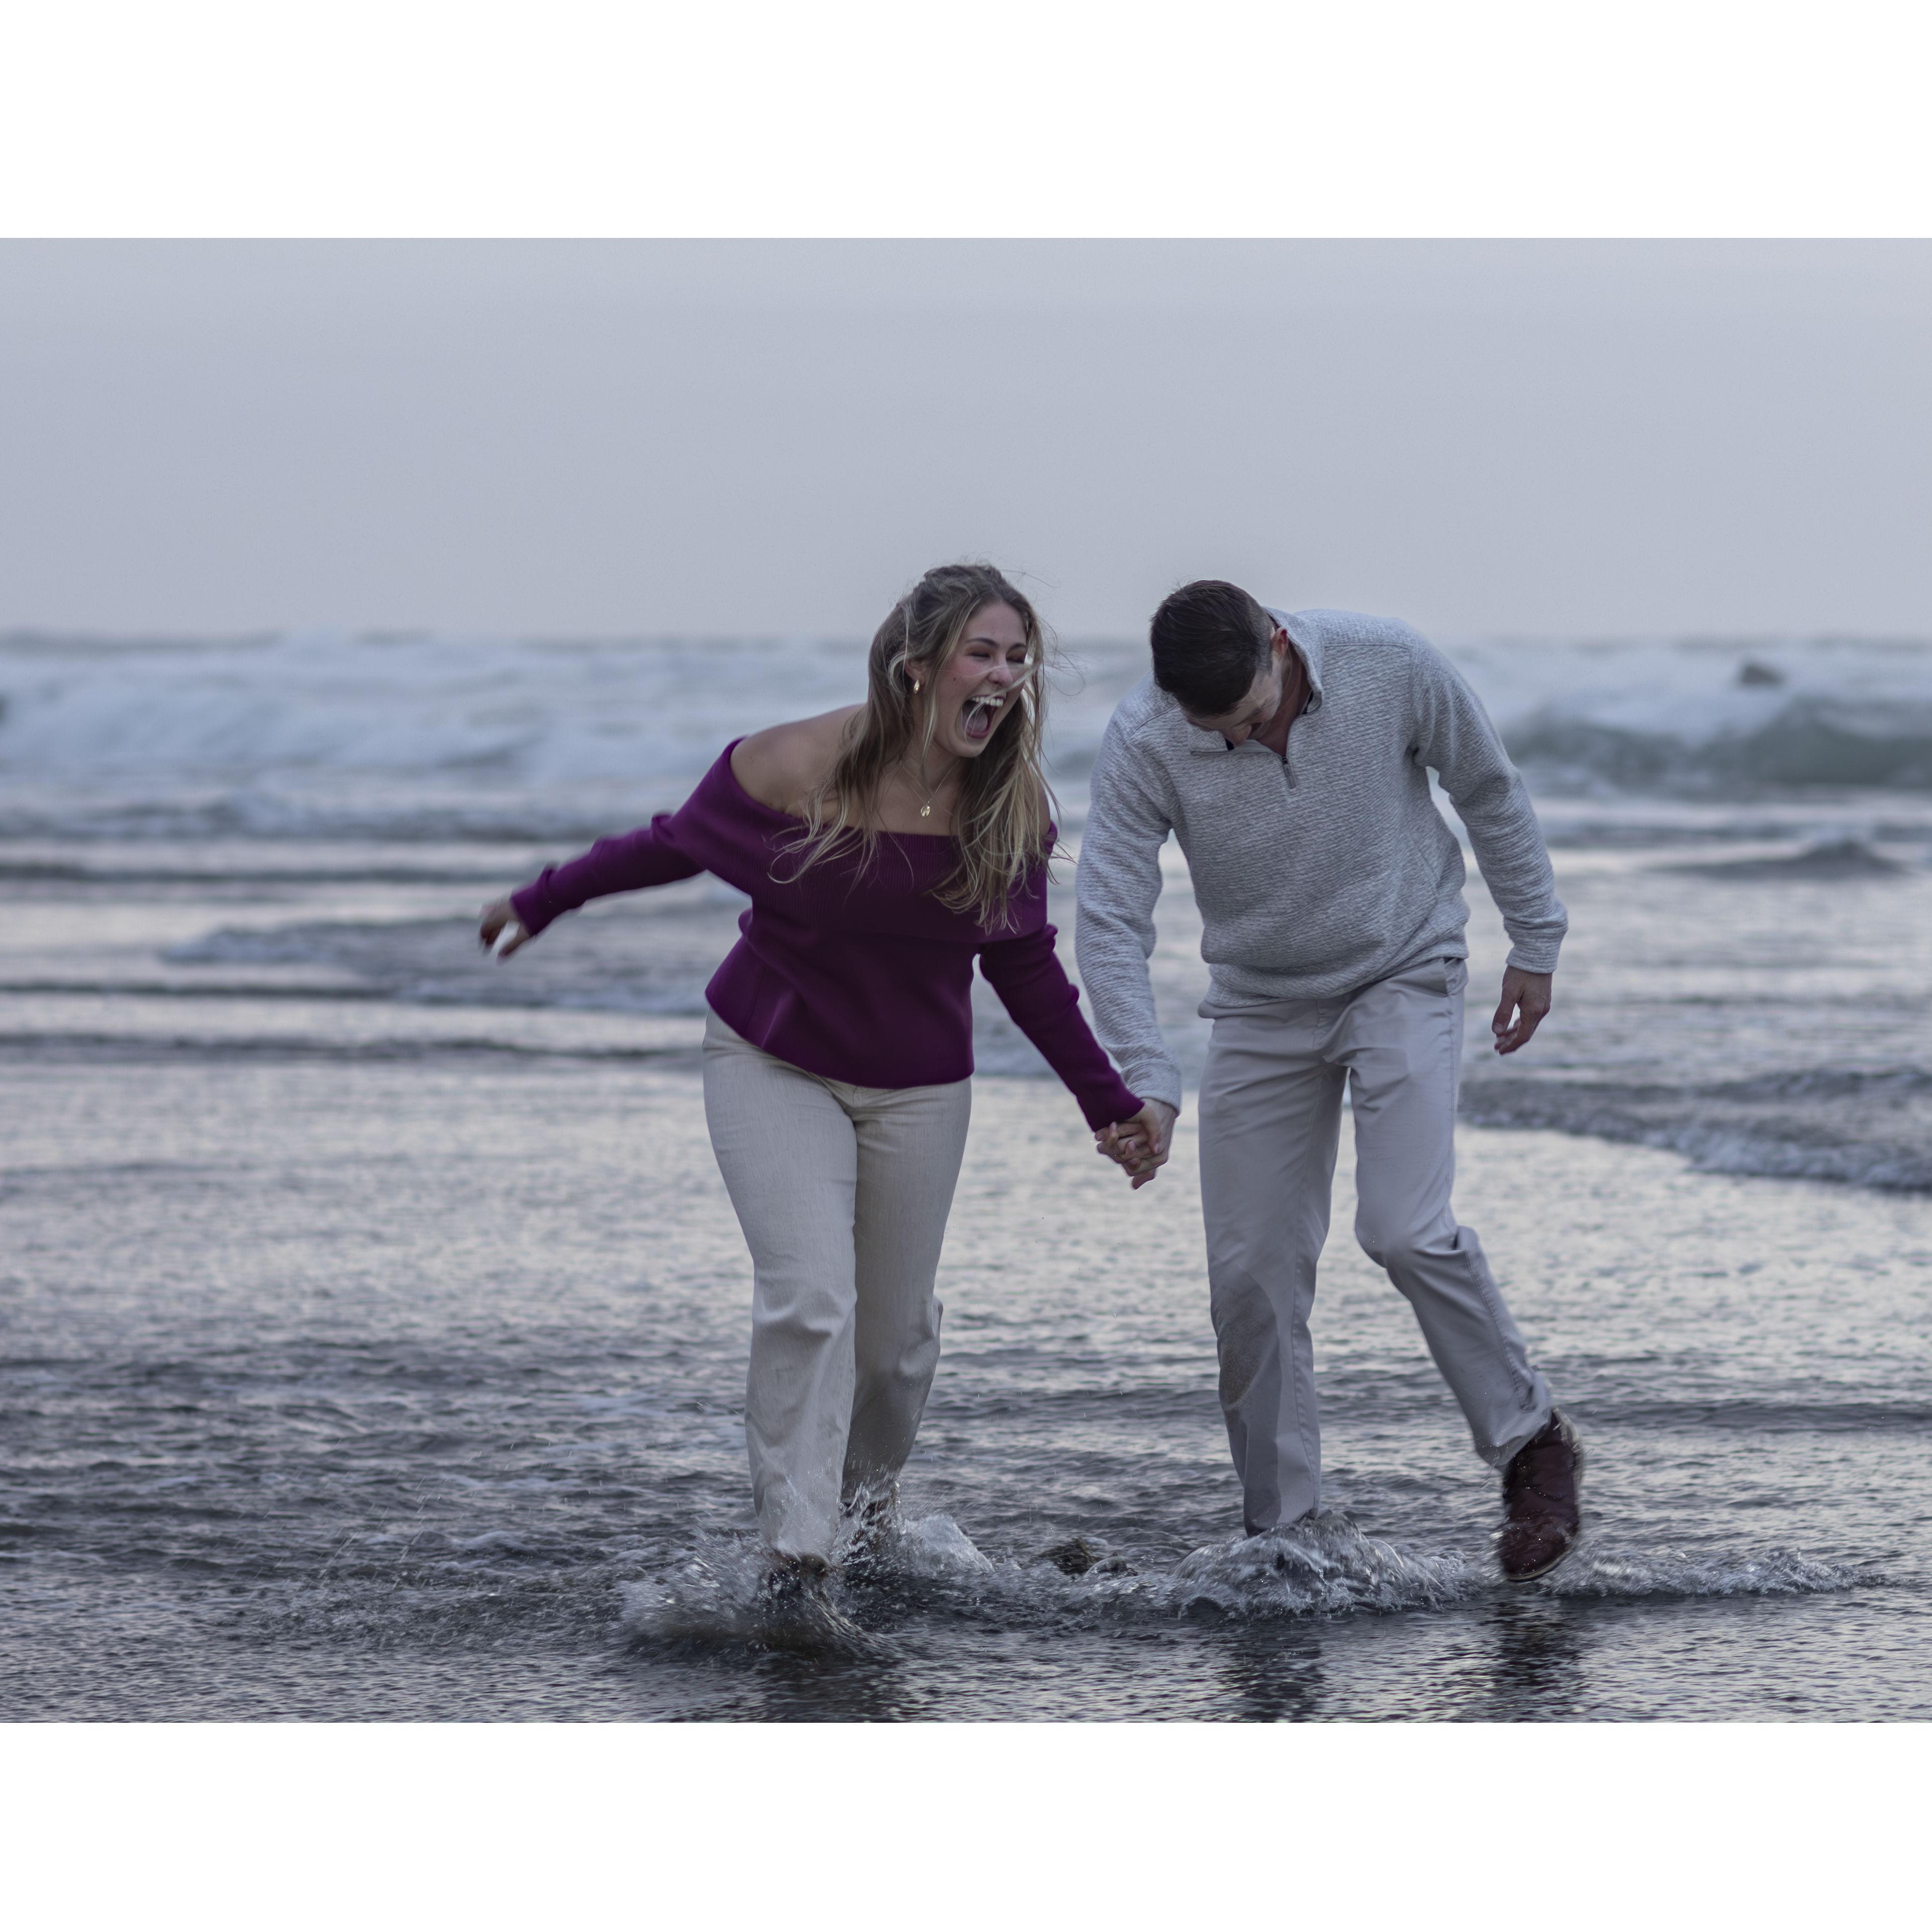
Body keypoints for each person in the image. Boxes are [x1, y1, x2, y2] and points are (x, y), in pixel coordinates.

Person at [480, 565, 1154, 1594]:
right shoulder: (796, 763)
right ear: (917, 665)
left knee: (896, 1346)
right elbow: (673, 845)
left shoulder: (1008, 803)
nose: (1003, 676)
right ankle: (797, 1552)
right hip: (772, 1058)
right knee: (809, 1297)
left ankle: (863, 1520)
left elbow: (1022, 966)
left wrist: (1109, 1104)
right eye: (981, 652)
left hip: (920, 1087)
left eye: (1018, 658)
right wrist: (543, 899)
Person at [1074, 580, 1584, 1580]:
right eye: (1214, 729)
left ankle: (1532, 1444)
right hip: (1258, 1003)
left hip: (1403, 966)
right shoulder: (1145, 738)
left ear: (1278, 644)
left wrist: (1536, 939)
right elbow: (1109, 915)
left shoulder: (1388, 662)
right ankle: (1284, 1532)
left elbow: (1487, 786)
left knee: (1402, 1227)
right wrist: (1146, 1077)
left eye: (1250, 713)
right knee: (1249, 1275)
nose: (1238, 737)